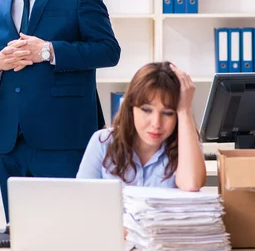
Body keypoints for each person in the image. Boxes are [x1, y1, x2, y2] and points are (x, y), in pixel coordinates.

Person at [0, 0, 121, 222]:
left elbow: (108, 51)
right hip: (10, 143)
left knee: (68, 231)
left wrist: (48, 51)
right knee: (20, 231)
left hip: (64, 139)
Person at [76, 62, 206, 191]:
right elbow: (82, 200)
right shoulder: (103, 142)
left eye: (167, 113)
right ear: (131, 108)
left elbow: (191, 184)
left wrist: (185, 110)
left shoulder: (186, 143)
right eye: (147, 110)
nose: (156, 124)